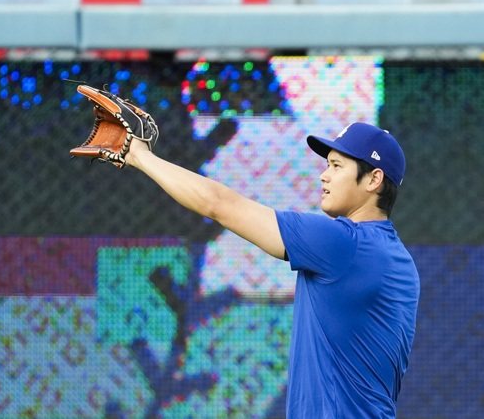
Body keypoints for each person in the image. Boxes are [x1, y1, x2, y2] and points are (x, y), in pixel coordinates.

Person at [124, 121, 420, 419]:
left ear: (373, 179)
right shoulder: (398, 259)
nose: (324, 175)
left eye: (336, 166)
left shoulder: (344, 244)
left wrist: (137, 154)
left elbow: (218, 205)